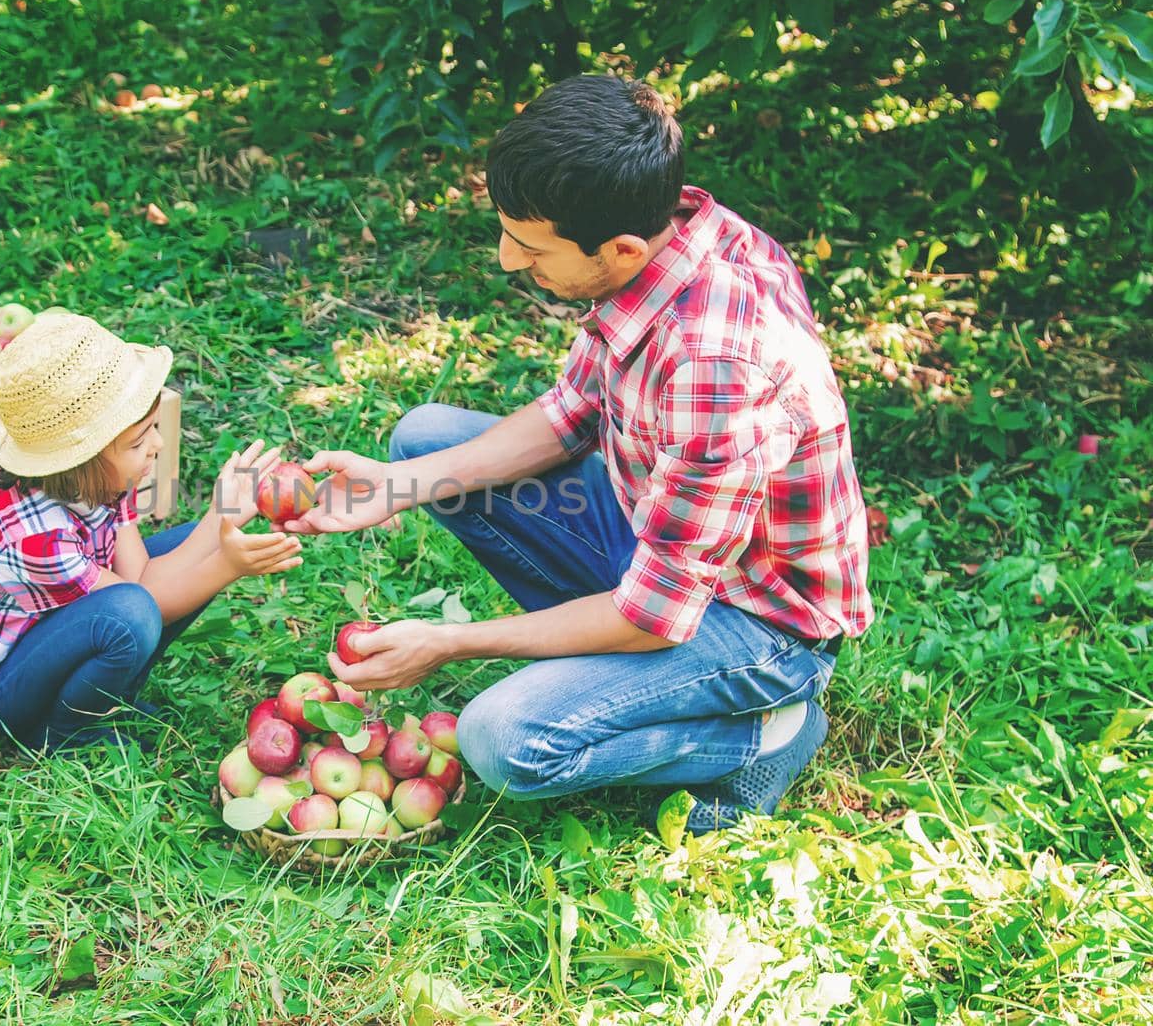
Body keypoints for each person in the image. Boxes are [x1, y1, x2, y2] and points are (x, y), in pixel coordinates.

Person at [285, 76, 874, 832]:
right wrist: (397, 485)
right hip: (669, 548)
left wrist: (450, 645)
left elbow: (655, 617)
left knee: (503, 740)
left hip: (758, 625)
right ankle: (603, 671)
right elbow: (569, 415)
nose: (505, 260)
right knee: (428, 439)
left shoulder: (716, 367)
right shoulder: (669, 236)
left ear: (621, 248)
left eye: (530, 247)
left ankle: (765, 733)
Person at [0, 311, 302, 752]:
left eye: (151, 431)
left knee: (182, 558)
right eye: (137, 441)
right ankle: (64, 733)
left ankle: (106, 699)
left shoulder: (96, 479)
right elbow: (143, 604)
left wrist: (217, 518)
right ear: (79, 461)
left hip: (44, 632)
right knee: (130, 616)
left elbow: (139, 575)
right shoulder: (34, 536)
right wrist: (226, 565)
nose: (158, 446)